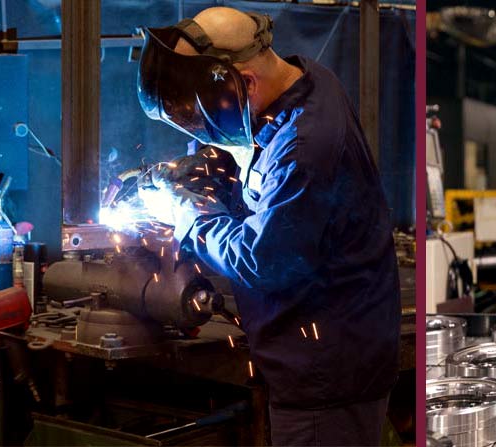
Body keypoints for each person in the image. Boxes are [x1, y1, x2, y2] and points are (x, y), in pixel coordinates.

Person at [136, 7, 399, 446]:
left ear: (246, 83)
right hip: (330, 354)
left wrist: (189, 214)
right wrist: (217, 169)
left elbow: (261, 262)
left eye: (204, 124)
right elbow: (275, 185)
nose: (204, 136)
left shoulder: (305, 146)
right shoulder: (307, 80)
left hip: (325, 376)